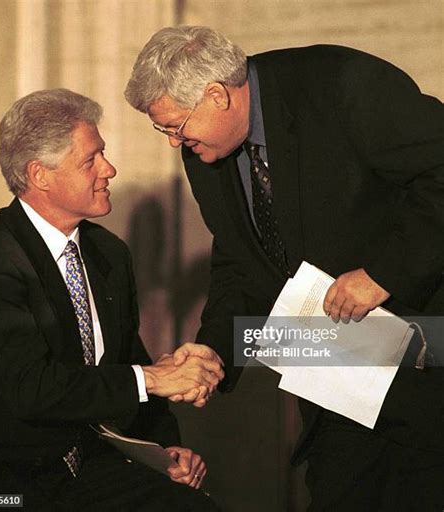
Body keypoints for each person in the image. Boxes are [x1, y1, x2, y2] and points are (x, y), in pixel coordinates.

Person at [125, 26, 444, 510]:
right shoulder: (207, 147)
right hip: (340, 385)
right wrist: (213, 352)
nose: (173, 143)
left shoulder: (341, 85)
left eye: (175, 126)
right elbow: (240, 259)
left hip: (426, 360)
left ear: (216, 95)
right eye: (162, 129)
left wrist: (384, 273)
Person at [0, 88, 224, 511]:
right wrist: (151, 378)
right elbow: (31, 389)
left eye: (103, 154)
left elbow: (129, 361)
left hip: (91, 468)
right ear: (40, 175)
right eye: (91, 159)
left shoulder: (108, 253)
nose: (110, 169)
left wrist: (166, 448)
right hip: (0, 488)